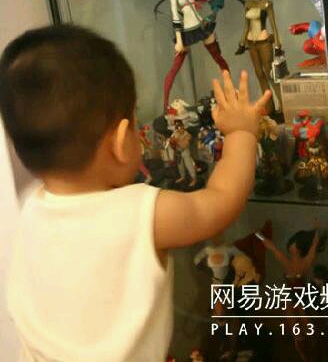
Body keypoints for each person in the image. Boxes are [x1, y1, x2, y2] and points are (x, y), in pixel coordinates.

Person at [0, 24, 270, 362]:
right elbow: (220, 202)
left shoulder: (31, 210)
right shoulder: (144, 213)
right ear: (120, 141)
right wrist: (241, 133)